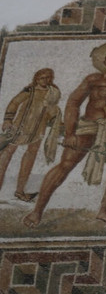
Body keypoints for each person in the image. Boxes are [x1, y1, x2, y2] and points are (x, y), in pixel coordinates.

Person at [23, 47, 106, 227]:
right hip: (88, 124)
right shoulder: (94, 79)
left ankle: (104, 210)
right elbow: (73, 102)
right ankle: (37, 211)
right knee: (66, 164)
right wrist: (70, 132)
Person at [0, 68, 62, 202]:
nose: (45, 80)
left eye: (48, 77)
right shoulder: (30, 90)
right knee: (6, 155)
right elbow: (14, 103)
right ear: (37, 79)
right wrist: (8, 119)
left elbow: (51, 111)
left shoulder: (53, 93)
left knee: (30, 158)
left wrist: (57, 123)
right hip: (20, 128)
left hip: (38, 131)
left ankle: (20, 191)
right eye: (42, 78)